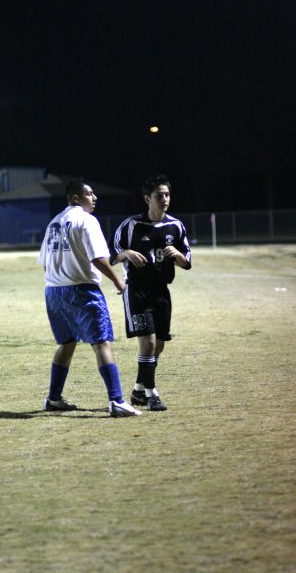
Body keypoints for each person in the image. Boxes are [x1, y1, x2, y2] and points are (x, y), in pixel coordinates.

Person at [38, 178, 141, 417]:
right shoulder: (86, 220)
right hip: (82, 290)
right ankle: (116, 400)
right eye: (90, 194)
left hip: (53, 290)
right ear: (76, 198)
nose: (95, 198)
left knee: (67, 342)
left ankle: (53, 398)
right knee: (101, 342)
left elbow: (45, 263)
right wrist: (118, 281)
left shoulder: (54, 223)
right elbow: (97, 258)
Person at [110, 174, 192, 412]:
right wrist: (126, 253)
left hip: (161, 292)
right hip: (136, 292)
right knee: (147, 343)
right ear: (147, 199)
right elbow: (110, 255)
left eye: (167, 195)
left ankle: (137, 390)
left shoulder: (176, 226)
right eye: (159, 196)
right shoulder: (130, 226)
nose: (164, 199)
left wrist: (177, 256)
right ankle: (152, 394)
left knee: (158, 346)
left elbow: (187, 262)